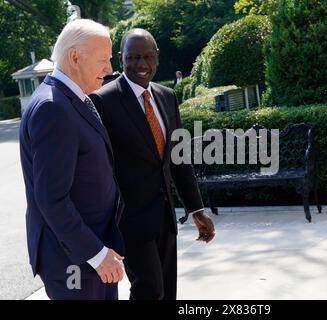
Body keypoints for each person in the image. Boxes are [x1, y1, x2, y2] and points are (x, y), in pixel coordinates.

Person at [90, 28, 215, 300]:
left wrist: (196, 208)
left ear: (157, 57)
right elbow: (99, 168)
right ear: (121, 58)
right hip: (129, 220)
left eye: (147, 57)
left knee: (168, 290)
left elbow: (178, 159)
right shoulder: (103, 100)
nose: (141, 65)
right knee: (149, 290)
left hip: (165, 217)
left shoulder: (167, 96)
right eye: (133, 57)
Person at [19, 19, 125, 300]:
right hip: (73, 258)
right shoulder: (53, 108)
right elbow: (52, 199)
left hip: (89, 251)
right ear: (75, 57)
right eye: (103, 60)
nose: (109, 69)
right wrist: (97, 254)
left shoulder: (74, 98)